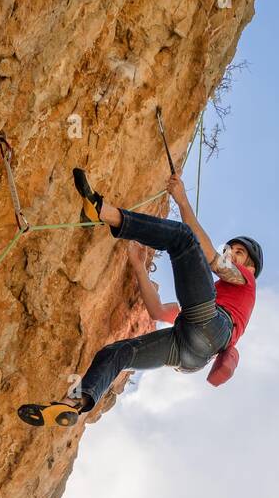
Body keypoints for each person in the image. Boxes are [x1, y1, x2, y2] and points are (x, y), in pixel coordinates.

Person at [17, 167, 263, 428]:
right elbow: (158, 311)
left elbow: (212, 259)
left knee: (183, 237)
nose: (233, 255)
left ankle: (102, 212)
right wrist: (138, 267)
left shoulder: (246, 281)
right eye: (231, 249)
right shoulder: (216, 301)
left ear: (251, 269)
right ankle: (71, 405)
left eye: (239, 253)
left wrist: (181, 199)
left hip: (211, 328)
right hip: (192, 353)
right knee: (116, 353)